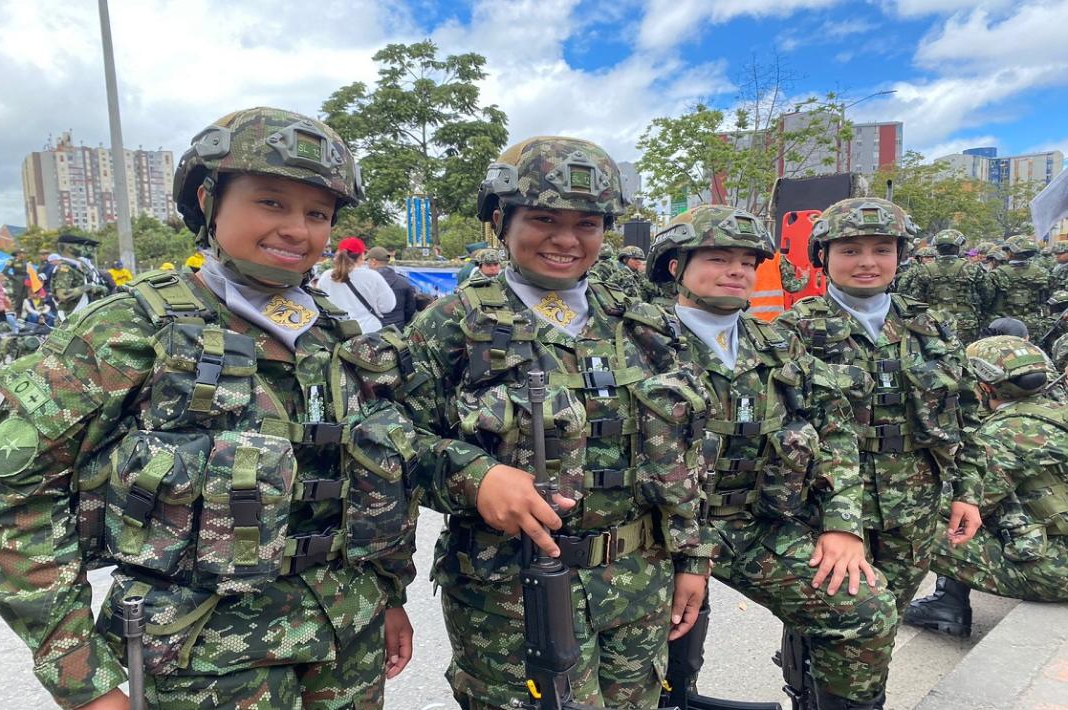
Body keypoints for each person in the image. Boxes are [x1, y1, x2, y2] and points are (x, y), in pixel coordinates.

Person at [0, 107, 424, 710]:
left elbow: (372, 484)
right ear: (209, 200)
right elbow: (22, 506)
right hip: (196, 666)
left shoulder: (341, 337)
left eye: (317, 213)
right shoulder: (128, 329)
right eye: (271, 202)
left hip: (348, 648)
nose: (298, 229)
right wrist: (82, 680)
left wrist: (388, 597)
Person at [404, 136, 712, 709]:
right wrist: (475, 474)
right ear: (501, 219)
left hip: (637, 586)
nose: (567, 240)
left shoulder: (644, 325)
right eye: (543, 218)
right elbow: (391, 447)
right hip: (511, 596)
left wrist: (692, 558)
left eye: (588, 224)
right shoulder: (452, 325)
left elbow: (689, 450)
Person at [645, 204, 898, 710]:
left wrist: (841, 525)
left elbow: (836, 431)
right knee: (657, 639)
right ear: (676, 267)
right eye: (718, 258)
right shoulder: (641, 341)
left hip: (752, 524)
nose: (737, 271)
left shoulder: (779, 342)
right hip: (656, 532)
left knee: (864, 609)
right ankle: (673, 696)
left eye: (746, 261)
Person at [774, 197, 985, 622]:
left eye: (882, 250)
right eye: (850, 250)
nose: (867, 262)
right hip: (824, 511)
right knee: (833, 628)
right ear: (824, 256)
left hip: (913, 511)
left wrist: (969, 492)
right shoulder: (793, 331)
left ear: (900, 256)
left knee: (887, 623)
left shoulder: (931, 327)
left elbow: (968, 414)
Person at [905, 336, 1068, 638]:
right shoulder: (1056, 410)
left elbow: (958, 504)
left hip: (1055, 572)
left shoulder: (1007, 432)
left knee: (909, 526)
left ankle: (925, 607)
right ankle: (948, 602)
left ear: (985, 387)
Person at [909, 229, 993, 344]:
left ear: (937, 248)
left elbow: (916, 298)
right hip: (965, 323)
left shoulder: (924, 270)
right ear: (958, 247)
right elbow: (988, 294)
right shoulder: (972, 268)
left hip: (934, 322)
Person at [315, 237, 395, 333]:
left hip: (337, 333)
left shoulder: (327, 276)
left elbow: (318, 304)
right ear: (361, 256)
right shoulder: (372, 276)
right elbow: (388, 306)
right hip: (369, 334)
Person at [989, 235, 1051, 338]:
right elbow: (1047, 298)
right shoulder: (1042, 273)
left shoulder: (997, 274)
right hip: (1033, 324)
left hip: (1004, 324)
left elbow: (987, 298)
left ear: (1011, 252)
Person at [51, 234, 108, 317]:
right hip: (71, 318)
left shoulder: (77, 266)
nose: (83, 248)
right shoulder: (64, 268)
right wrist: (89, 287)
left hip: (82, 314)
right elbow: (62, 295)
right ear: (69, 249)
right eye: (80, 245)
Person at [366, 245, 417, 329]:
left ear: (373, 261)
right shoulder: (404, 282)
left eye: (368, 261)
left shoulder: (364, 283)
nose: (367, 264)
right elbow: (410, 309)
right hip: (396, 331)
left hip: (371, 331)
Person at [1, 249, 29, 315]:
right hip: (17, 279)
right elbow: (5, 271)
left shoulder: (25, 261)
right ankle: (17, 313)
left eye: (24, 253)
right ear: (18, 254)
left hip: (26, 279)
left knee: (25, 296)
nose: (24, 254)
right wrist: (13, 278)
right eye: (22, 253)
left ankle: (24, 312)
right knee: (18, 297)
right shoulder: (12, 261)